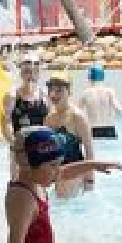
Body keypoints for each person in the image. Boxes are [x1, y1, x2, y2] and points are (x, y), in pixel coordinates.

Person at [5, 126, 122, 243]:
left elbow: (65, 172)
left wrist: (94, 165)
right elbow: (16, 240)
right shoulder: (23, 195)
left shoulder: (35, 182)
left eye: (58, 164)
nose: (57, 171)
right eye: (52, 166)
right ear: (29, 165)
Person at [43, 70, 96, 198]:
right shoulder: (49, 119)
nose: (54, 94)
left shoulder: (77, 116)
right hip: (56, 174)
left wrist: (90, 180)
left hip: (75, 174)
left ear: (69, 91)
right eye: (51, 90)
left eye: (59, 90)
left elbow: (89, 150)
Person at [78, 62, 122, 140]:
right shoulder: (109, 92)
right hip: (109, 130)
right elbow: (120, 111)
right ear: (103, 77)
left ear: (89, 77)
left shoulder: (85, 93)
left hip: (92, 130)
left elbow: (77, 115)